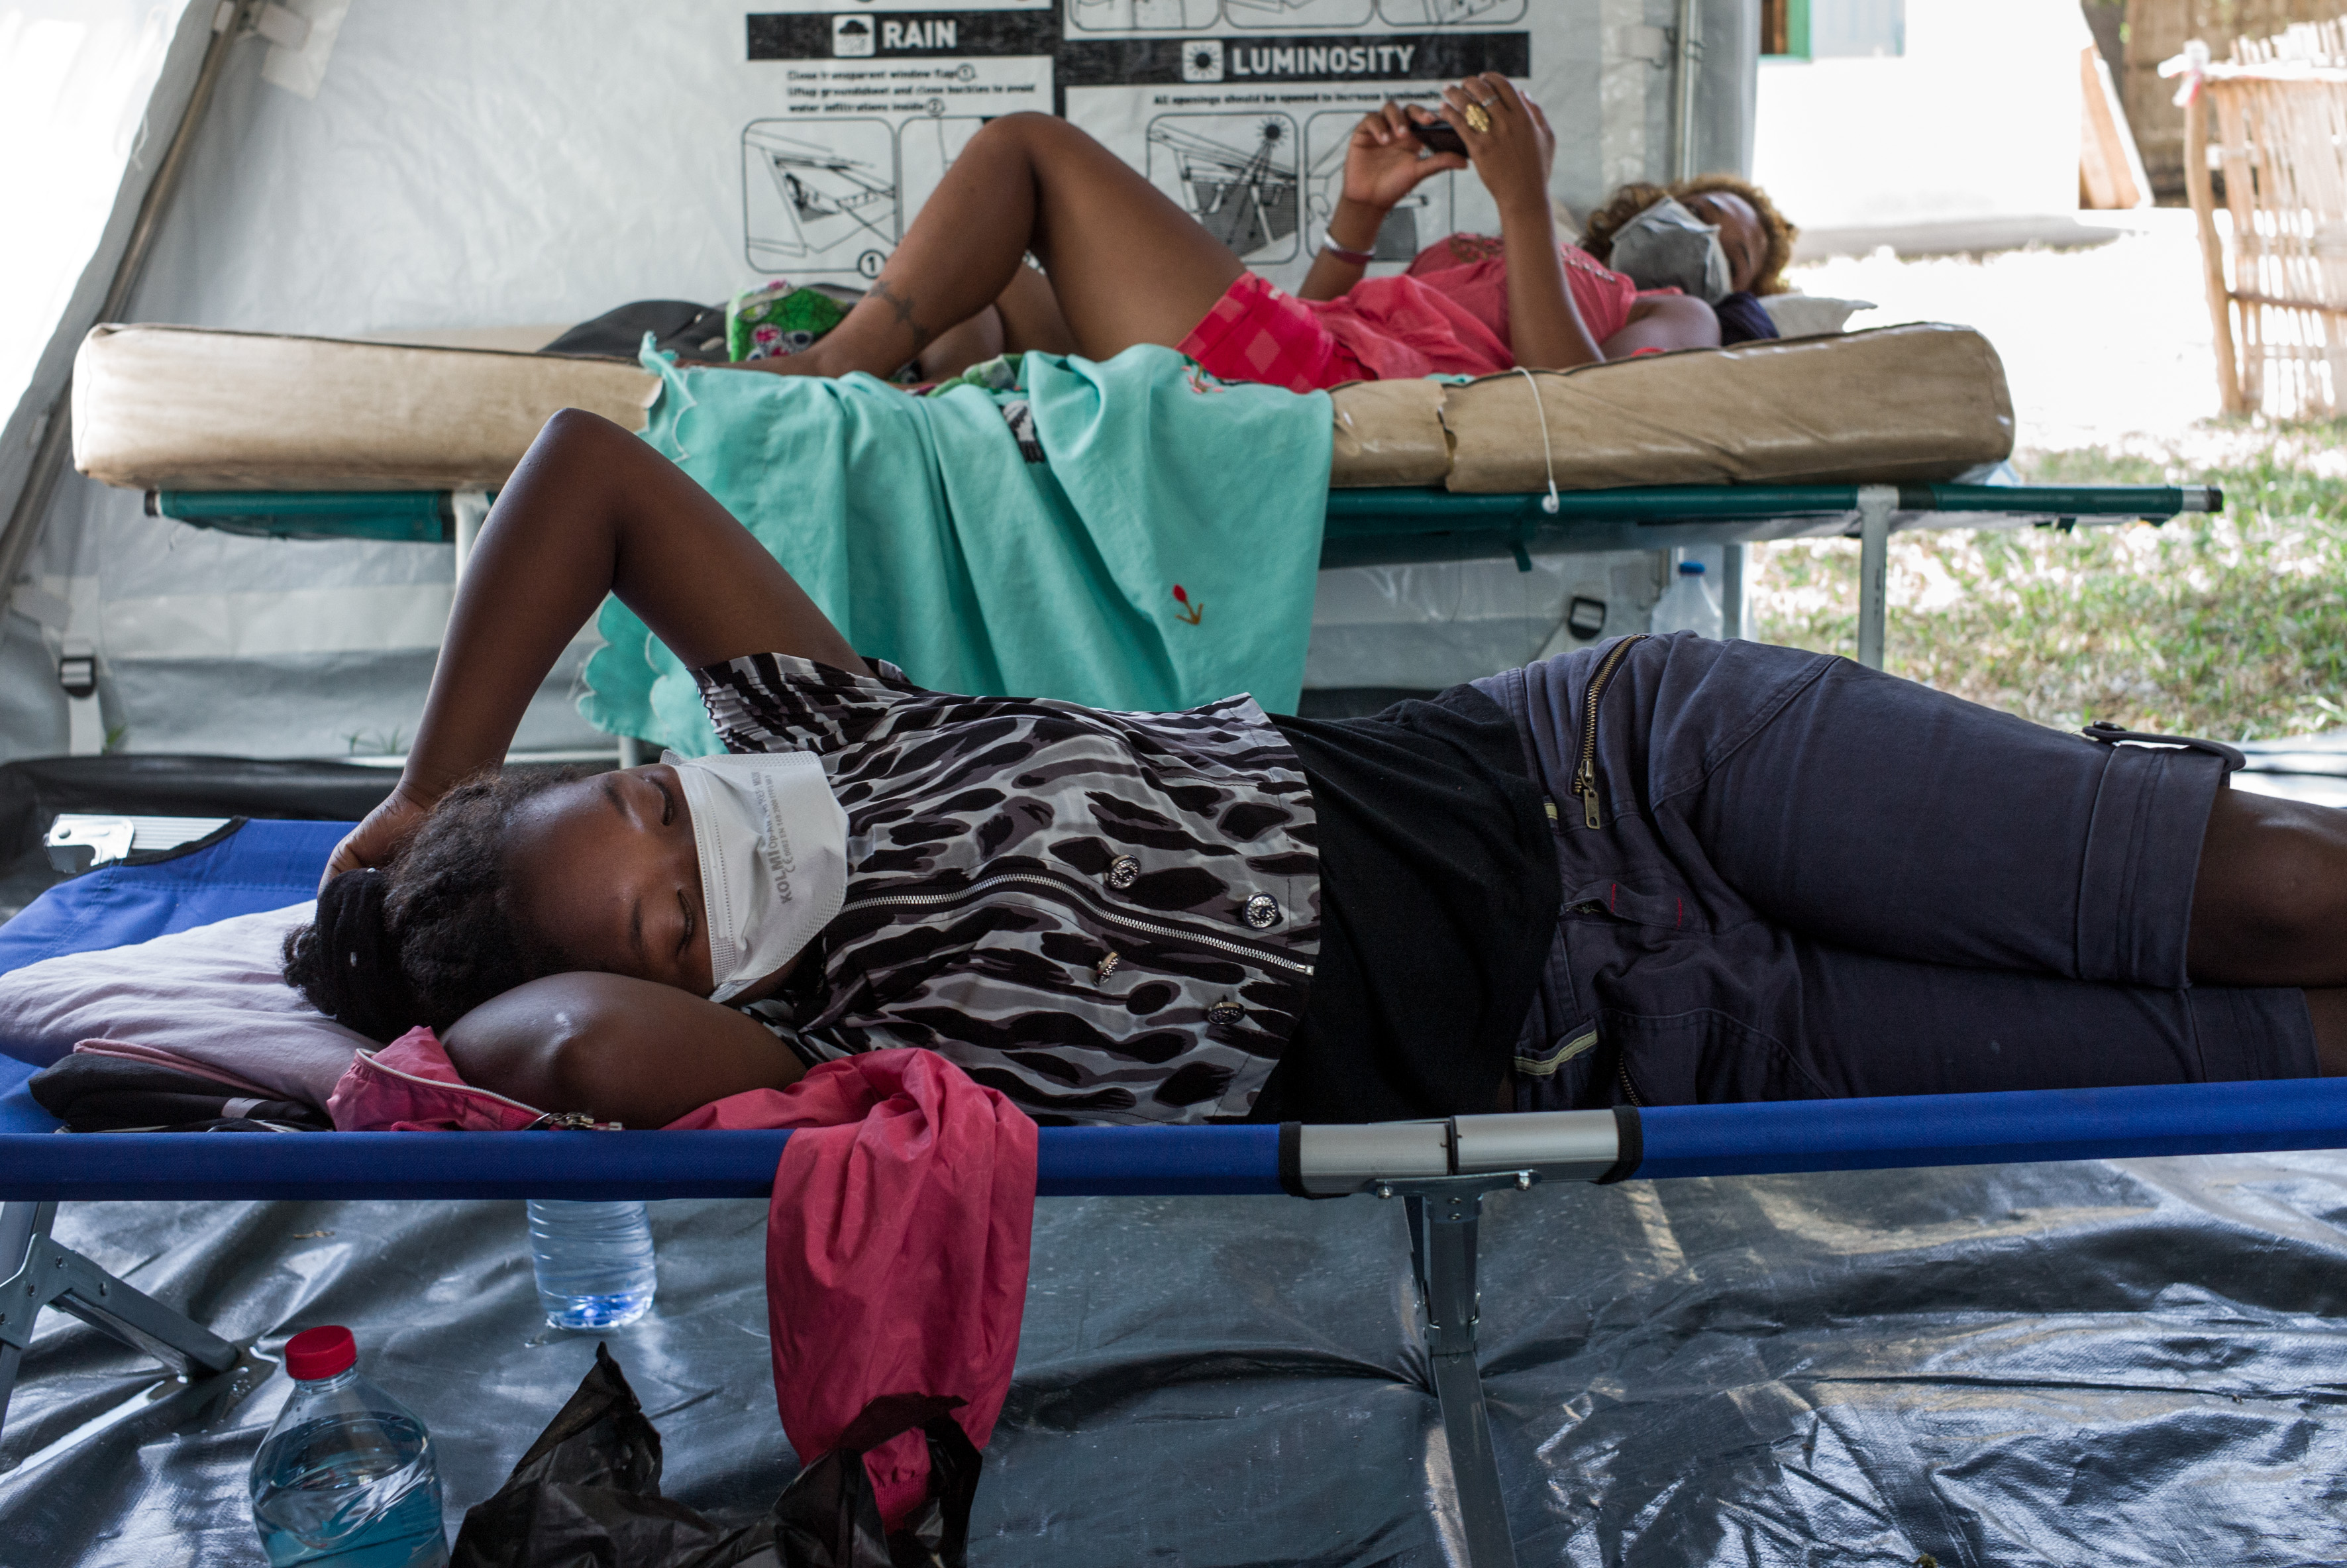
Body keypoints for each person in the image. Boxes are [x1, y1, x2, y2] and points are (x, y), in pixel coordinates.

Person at [287, 410, 2347, 1131]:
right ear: (680, 984)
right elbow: (564, 1048)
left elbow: (586, 474)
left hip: (1629, 773)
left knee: (2272, 895)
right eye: (673, 912)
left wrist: (426, 791)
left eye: (652, 792)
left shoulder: (834, 730)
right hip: (1666, 1044)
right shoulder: (850, 1066)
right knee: (2282, 1056)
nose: (704, 841)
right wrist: (424, 988)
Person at [710, 76, 1724, 394]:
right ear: (1641, 202)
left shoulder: (1667, 305)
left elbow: (1576, 409)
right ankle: (914, 392)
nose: (1701, 239)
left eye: (1735, 242)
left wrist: (1517, 204)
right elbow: (1334, 315)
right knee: (1007, 286)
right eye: (1702, 210)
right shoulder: (1482, 258)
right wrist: (1358, 215)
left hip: (1310, 387)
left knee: (1026, 151)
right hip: (1310, 353)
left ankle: (831, 367)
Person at [1577, 175, 1798, 346]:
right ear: (1656, 205)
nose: (1701, 239)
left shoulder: (1691, 320)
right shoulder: (1565, 250)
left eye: (1730, 264)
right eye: (1695, 213)